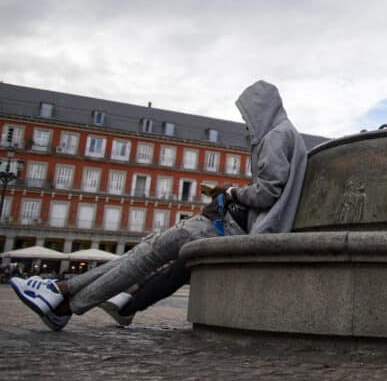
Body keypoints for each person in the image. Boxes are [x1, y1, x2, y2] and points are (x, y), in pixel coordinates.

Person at [10, 80, 308, 330]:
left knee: (144, 256)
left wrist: (229, 191)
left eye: (248, 115)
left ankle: (61, 295)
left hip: (226, 227)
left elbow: (267, 192)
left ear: (261, 108)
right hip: (234, 226)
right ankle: (62, 301)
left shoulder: (276, 136)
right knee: (146, 252)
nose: (246, 122)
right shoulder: (286, 135)